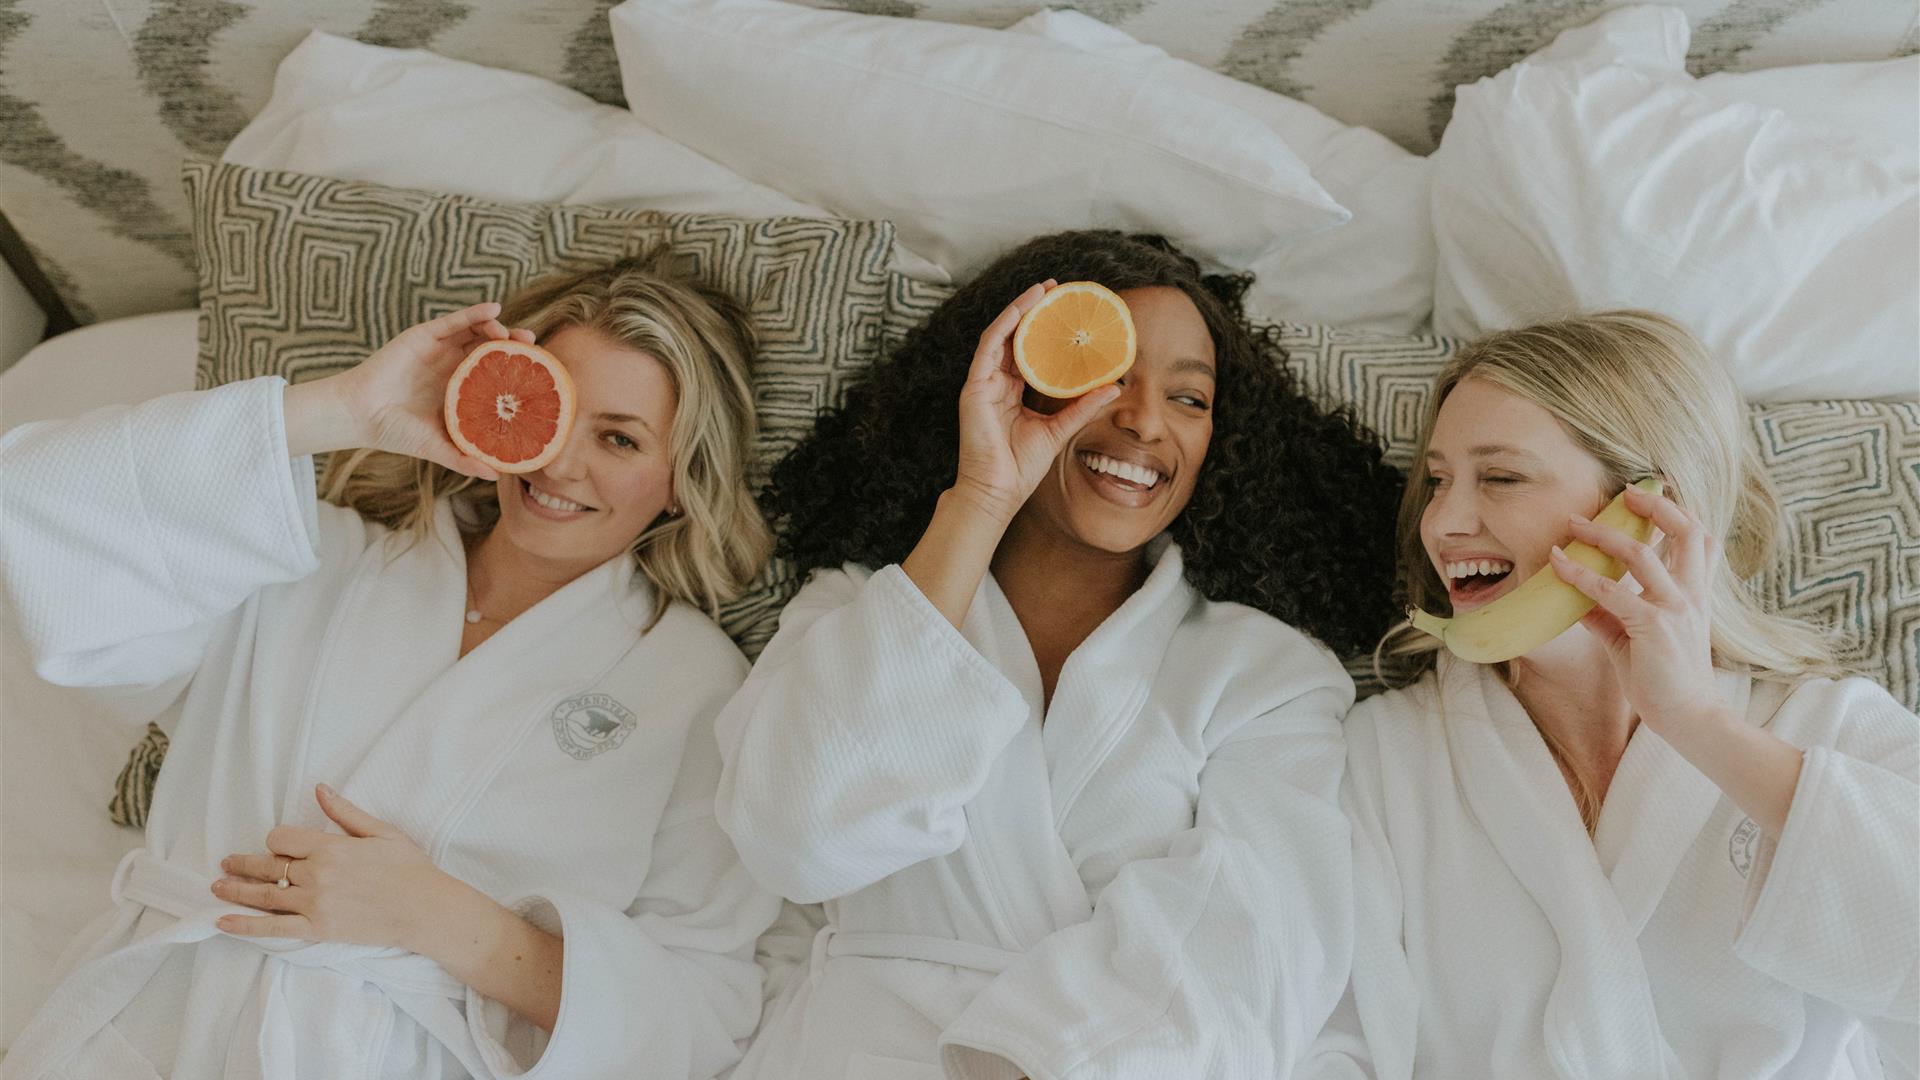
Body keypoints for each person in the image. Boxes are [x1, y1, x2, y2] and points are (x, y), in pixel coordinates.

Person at [1, 254, 782, 1079]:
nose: (556, 463)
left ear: (680, 480)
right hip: (155, 1029)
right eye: (546, 412)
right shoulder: (306, 557)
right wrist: (342, 408)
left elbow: (703, 1011)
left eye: (618, 438)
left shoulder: (693, 685)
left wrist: (443, 920)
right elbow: (39, 506)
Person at [716, 230, 1405, 1079]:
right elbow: (792, 840)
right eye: (1105, 374)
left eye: (1190, 399)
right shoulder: (858, 607)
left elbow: (1256, 948)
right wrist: (980, 495)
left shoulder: (1266, 676)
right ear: (1010, 382)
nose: (1145, 420)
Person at [1307, 312, 1918, 1078]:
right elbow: (1332, 1039)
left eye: (1500, 476)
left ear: (1650, 513)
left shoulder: (1824, 725)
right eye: (1437, 481)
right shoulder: (1384, 758)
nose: (1444, 523)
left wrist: (1700, 727)